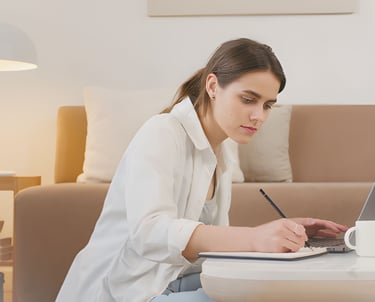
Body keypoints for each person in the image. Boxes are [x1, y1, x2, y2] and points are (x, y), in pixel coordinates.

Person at [56, 38, 348, 302]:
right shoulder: (162, 131)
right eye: (248, 99)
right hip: (128, 289)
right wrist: (255, 238)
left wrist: (286, 232)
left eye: (268, 104)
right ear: (212, 86)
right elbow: (150, 232)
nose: (259, 116)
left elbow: (205, 245)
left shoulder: (221, 152)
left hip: (174, 280)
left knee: (285, 290)